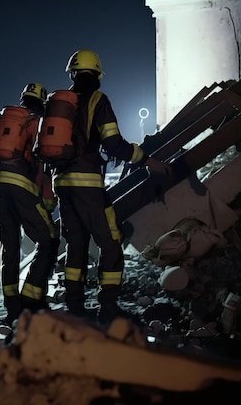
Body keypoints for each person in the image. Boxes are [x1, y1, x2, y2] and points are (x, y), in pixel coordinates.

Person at [54, 49, 173, 325]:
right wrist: (146, 160)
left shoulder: (62, 104)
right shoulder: (98, 100)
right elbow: (113, 144)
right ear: (97, 74)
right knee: (110, 242)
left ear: (72, 74)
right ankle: (107, 308)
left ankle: (74, 306)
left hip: (61, 183)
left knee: (76, 245)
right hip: (87, 185)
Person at [0, 83, 60, 324]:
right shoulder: (36, 122)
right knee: (49, 240)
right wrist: (48, 201)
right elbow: (42, 167)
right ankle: (31, 298)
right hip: (21, 186)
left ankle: (12, 305)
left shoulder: (4, 118)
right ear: (41, 102)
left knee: (10, 248)